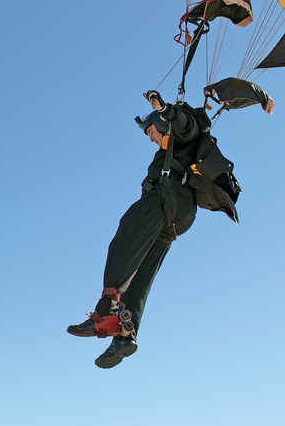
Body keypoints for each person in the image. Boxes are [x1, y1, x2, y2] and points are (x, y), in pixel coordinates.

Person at [67, 90, 201, 368]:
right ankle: (124, 337)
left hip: (168, 198)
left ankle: (106, 309)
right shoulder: (173, 150)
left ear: (163, 125)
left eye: (151, 130)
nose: (151, 138)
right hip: (178, 216)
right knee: (140, 275)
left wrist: (165, 109)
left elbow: (186, 124)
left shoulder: (181, 136)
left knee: (125, 235)